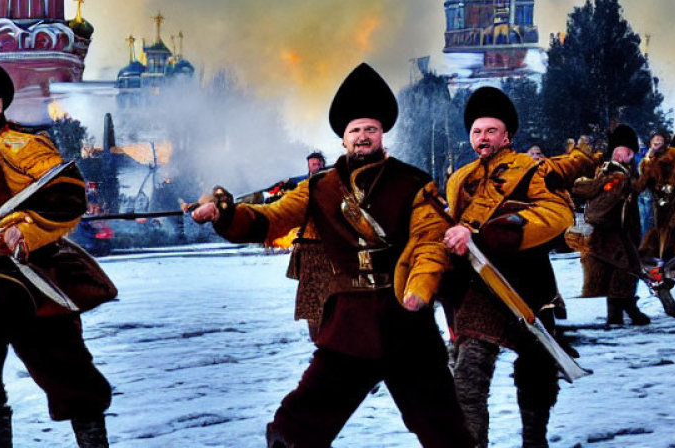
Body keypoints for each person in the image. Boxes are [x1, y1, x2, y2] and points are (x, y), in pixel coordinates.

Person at [191, 63, 474, 448]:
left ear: (382, 134)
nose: (362, 137)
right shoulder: (318, 187)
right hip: (348, 325)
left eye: (369, 129)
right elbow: (271, 218)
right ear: (343, 138)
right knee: (295, 429)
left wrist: (420, 290)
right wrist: (224, 215)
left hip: (407, 323)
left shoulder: (412, 182)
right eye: (355, 130)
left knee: (445, 430)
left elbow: (429, 239)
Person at [442, 87, 597, 448]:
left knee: (536, 371)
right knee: (468, 373)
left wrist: (508, 229)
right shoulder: (458, 179)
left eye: (491, 131)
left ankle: (534, 441)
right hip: (477, 285)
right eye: (478, 131)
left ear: (507, 135)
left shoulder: (532, 169)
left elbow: (556, 213)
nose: (483, 138)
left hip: (527, 283)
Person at [0, 62, 112, 448]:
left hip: (29, 272)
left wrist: (20, 230)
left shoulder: (25, 146)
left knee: (70, 371)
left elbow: (66, 195)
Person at [571, 124, 650, 326]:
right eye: (617, 152)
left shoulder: (627, 172)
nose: (619, 155)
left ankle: (624, 312)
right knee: (623, 268)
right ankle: (623, 313)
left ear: (631, 154)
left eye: (624, 152)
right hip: (610, 230)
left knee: (624, 270)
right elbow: (601, 202)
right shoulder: (615, 175)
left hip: (621, 229)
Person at [638, 131, 675, 261]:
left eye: (659, 139)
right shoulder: (648, 159)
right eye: (654, 139)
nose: (656, 141)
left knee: (672, 228)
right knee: (658, 227)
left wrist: (669, 189)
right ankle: (658, 255)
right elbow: (643, 181)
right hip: (657, 199)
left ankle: (671, 255)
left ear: (665, 142)